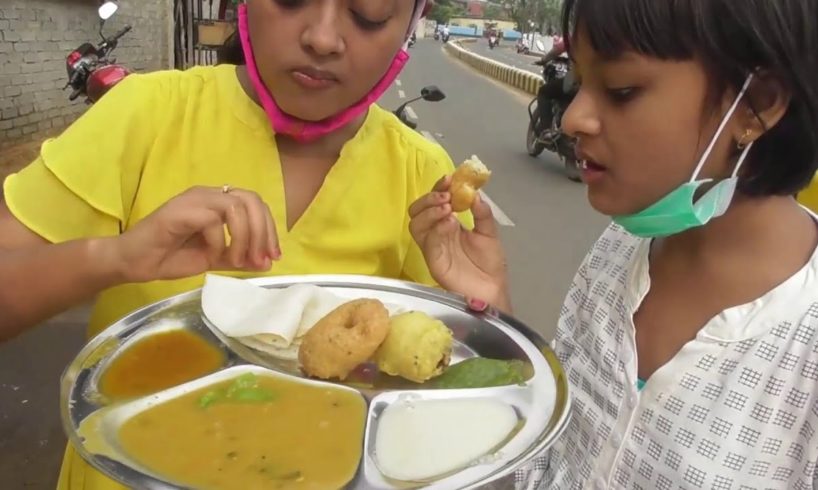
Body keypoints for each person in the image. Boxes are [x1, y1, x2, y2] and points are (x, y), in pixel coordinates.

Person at [0, 0, 473, 487]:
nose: (323, 38)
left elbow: (457, 403)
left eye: (369, 13)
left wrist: (489, 306)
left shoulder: (425, 179)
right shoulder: (144, 115)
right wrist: (114, 258)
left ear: (414, 19)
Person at [410, 0, 818, 487]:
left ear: (758, 103)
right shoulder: (619, 250)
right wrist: (499, 319)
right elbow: (549, 465)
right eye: (581, 84)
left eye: (621, 91)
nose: (572, 120)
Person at [534, 36, 569, 134]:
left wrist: (543, 60)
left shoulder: (582, 33)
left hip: (580, 83)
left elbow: (558, 49)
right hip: (598, 88)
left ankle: (545, 129)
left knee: (544, 92)